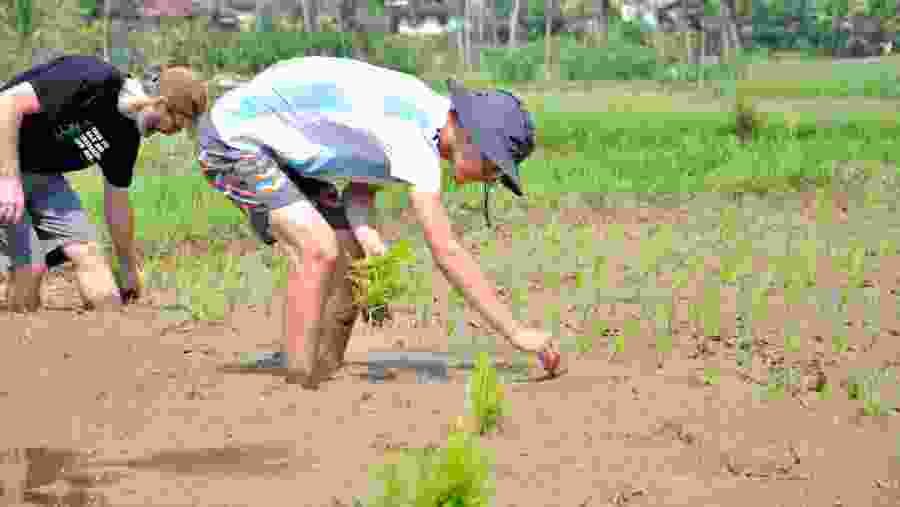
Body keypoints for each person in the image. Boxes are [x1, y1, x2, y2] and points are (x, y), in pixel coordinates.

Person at [196, 56, 560, 390]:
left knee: (350, 253)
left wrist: (370, 243)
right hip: (235, 138)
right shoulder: (415, 139)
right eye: (494, 165)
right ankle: (297, 383)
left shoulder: (425, 114)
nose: (491, 177)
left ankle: (323, 366)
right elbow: (446, 250)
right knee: (317, 249)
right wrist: (515, 332)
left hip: (283, 147)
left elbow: (359, 193)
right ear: (475, 136)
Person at [0, 54, 208, 312]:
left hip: (41, 173)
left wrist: (128, 266)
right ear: (161, 104)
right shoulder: (93, 77)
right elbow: (6, 104)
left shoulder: (127, 136)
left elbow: (117, 201)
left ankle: (113, 338)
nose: (171, 133)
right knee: (30, 267)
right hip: (4, 159)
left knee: (91, 256)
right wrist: (7, 180)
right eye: (176, 124)